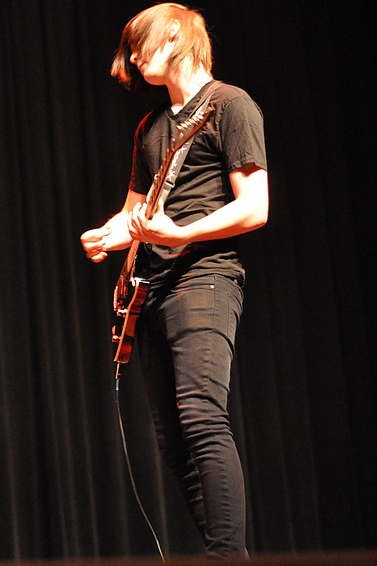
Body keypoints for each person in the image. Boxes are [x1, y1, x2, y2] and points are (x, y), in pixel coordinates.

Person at [80, 3, 268, 558]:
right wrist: (110, 235)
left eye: (139, 43)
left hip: (204, 279)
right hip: (150, 289)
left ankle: (224, 556)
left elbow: (255, 207)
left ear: (173, 34)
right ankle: (226, 550)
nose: (134, 57)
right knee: (172, 441)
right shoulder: (152, 127)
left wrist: (180, 231)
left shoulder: (230, 105)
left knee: (203, 417)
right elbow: (136, 212)